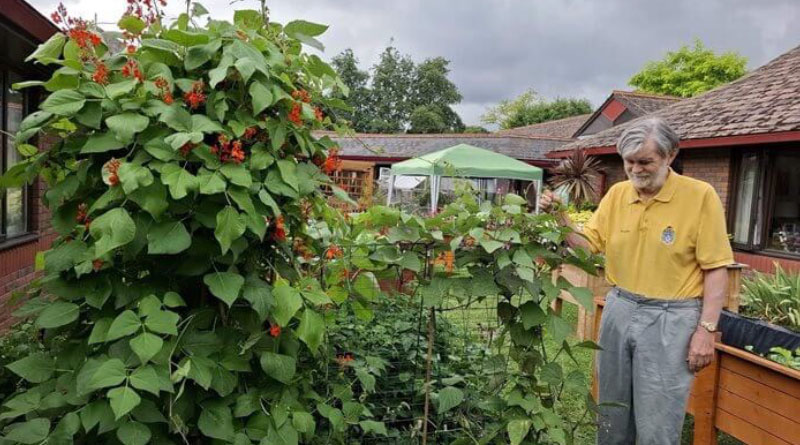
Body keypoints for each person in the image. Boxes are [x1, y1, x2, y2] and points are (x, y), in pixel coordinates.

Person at [540, 118, 734, 445]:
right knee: (611, 412)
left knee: (657, 421)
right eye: (629, 162)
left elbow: (716, 268)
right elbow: (589, 245)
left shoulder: (700, 196)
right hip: (620, 305)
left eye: (645, 162)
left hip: (672, 316)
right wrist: (561, 218)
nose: (635, 170)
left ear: (670, 155)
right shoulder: (618, 194)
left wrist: (706, 330)